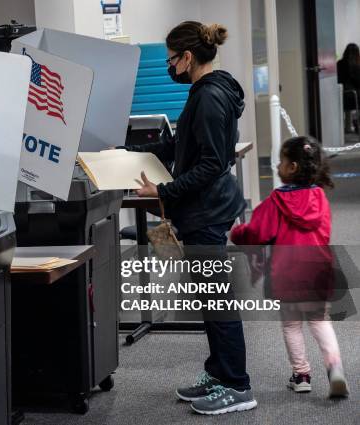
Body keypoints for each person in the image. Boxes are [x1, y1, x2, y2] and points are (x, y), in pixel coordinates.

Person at [132, 21, 256, 415]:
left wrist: (163, 192)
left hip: (207, 211)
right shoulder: (205, 91)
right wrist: (131, 154)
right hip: (206, 209)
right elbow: (181, 143)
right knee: (210, 300)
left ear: (187, 57)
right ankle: (220, 373)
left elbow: (212, 163)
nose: (169, 66)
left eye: (171, 59)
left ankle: (237, 386)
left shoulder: (209, 97)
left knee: (218, 303)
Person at [230, 136, 350, 398]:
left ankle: (302, 375)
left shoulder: (276, 200)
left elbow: (257, 233)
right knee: (319, 321)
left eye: (281, 161)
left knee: (292, 325)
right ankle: (335, 367)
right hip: (318, 270)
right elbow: (325, 233)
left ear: (293, 167)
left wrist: (237, 233)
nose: (277, 166)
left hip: (287, 273)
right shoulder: (319, 197)